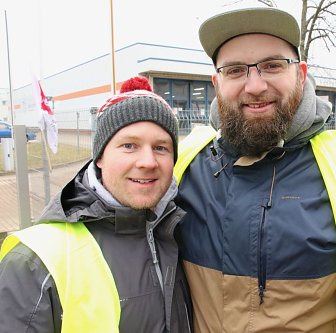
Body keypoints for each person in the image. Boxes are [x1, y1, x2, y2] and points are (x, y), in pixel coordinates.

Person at [174, 7, 336, 332]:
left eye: (272, 66)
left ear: (301, 74)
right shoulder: (186, 166)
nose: (254, 85)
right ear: (216, 82)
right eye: (235, 70)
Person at [0, 80, 192, 332]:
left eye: (160, 148)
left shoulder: (178, 229)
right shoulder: (33, 262)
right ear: (100, 156)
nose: (148, 161)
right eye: (129, 146)